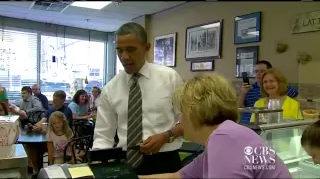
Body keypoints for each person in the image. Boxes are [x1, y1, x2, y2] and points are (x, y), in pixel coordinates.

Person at [139, 74, 291, 179]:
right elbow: (178, 176)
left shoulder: (224, 138)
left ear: (194, 112)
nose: (180, 120)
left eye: (182, 113)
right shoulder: (226, 134)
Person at [93, 22, 184, 175]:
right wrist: (98, 165)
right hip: (125, 163)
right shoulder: (110, 88)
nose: (124, 57)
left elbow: (188, 120)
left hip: (165, 162)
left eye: (131, 49)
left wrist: (166, 136)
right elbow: (103, 135)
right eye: (119, 50)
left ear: (147, 47)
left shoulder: (170, 78)